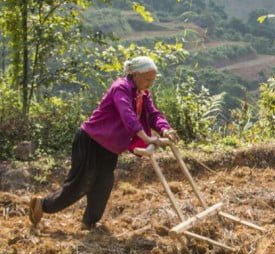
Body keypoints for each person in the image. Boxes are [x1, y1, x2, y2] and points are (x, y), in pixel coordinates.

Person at [28, 56, 178, 230]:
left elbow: (153, 114)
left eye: (152, 80)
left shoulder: (142, 93)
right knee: (82, 182)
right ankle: (43, 204)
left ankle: (89, 223)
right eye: (146, 79)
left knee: (103, 183)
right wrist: (147, 138)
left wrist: (165, 129)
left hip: (110, 146)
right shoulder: (120, 88)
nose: (149, 83)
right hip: (91, 140)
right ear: (135, 75)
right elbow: (127, 114)